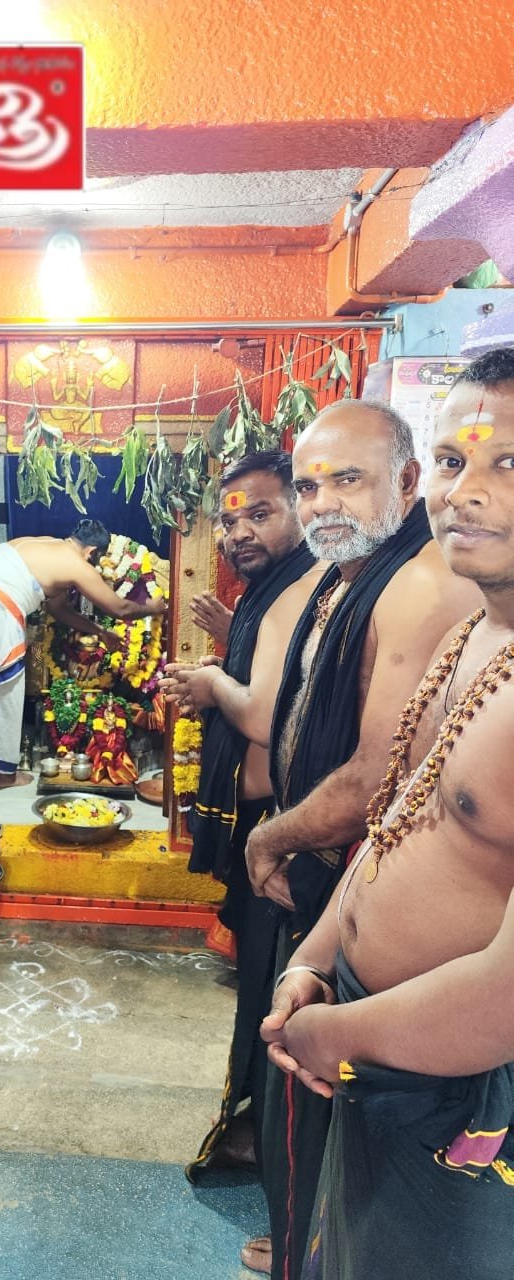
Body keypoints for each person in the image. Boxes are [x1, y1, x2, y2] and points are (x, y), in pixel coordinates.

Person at [169, 402, 479, 1278]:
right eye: (309, 486)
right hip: (323, 874)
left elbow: (381, 772)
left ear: (408, 482)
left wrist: (275, 835)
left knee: (320, 1094)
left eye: (347, 479)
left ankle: (305, 1247)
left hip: (351, 877)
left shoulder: (418, 584)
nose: (324, 504)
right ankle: (300, 1233)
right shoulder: (349, 574)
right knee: (293, 1085)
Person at [263, 348, 514, 1279]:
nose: (465, 492)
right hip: (377, 1043)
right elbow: (399, 819)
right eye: (453, 460)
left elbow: (505, 997)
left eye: (508, 463)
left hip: (462, 1084)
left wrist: (336, 1036)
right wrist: (315, 955)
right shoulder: (476, 633)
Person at [160, 452, 318, 1230]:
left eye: (260, 513)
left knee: (271, 1000)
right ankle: (256, 1143)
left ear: (301, 509)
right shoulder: (271, 589)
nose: (238, 532)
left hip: (285, 830)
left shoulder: (298, 586)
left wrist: (214, 683)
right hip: (265, 822)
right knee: (258, 991)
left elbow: (263, 712)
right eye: (229, 519)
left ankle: (275, 1182)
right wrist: (226, 653)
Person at [0, 519, 168, 788]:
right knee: (6, 688)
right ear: (91, 552)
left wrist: (100, 632)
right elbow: (121, 609)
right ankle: (2, 776)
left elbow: (59, 610)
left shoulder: (50, 547)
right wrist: (153, 608)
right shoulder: (76, 563)